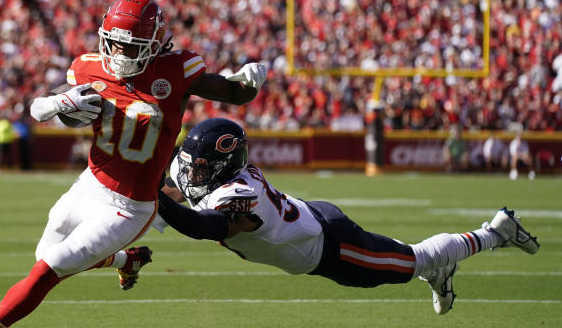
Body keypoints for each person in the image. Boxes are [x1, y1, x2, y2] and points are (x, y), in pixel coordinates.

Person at [0, 0, 268, 328]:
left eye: (131, 47)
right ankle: (126, 260)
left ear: (155, 44)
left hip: (131, 206)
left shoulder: (176, 71)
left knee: (49, 269)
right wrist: (56, 104)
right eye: (114, 42)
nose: (119, 52)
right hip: (89, 184)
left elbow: (231, 92)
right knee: (44, 255)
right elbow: (40, 105)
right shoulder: (90, 67)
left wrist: (250, 81)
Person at [156, 118, 540, 316]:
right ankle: (439, 274)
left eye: (201, 169)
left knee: (413, 258)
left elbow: (201, 226)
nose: (191, 176)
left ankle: (495, 231)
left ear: (225, 165)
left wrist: (155, 198)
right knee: (414, 263)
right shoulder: (220, 178)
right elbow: (166, 191)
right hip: (312, 222)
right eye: (191, 167)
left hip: (330, 246)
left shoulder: (239, 195)